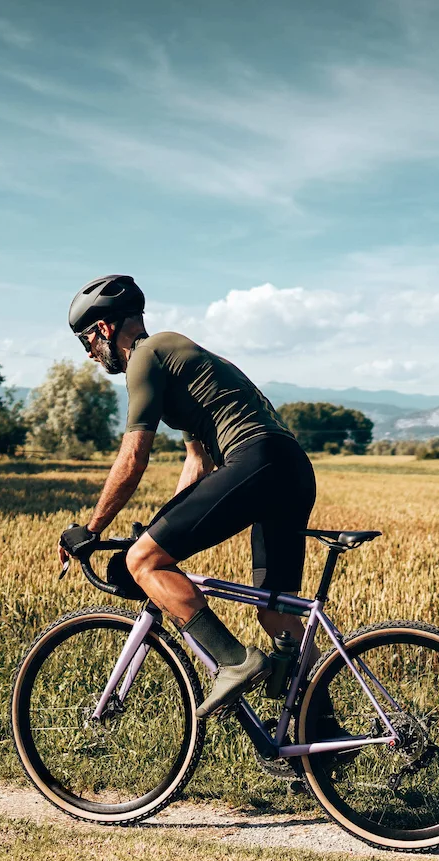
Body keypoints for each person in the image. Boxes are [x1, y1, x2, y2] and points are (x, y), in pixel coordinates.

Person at [55, 274, 316, 717]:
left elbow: (134, 455)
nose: (88, 354)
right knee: (278, 616)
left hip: (256, 459)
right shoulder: (181, 357)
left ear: (104, 329)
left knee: (143, 562)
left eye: (86, 342)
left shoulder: (144, 357)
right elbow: (197, 465)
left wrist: (92, 528)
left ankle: (235, 663)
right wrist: (159, 525)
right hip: (290, 467)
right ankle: (322, 733)